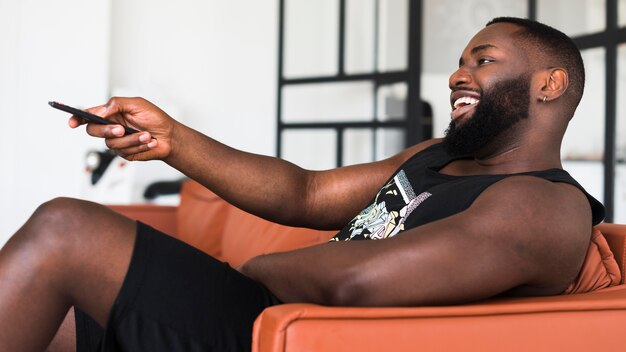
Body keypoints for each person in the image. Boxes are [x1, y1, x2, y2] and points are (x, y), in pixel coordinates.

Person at [0, 17, 605, 351]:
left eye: (484, 60)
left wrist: (256, 269)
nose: (457, 74)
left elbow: (360, 280)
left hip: (286, 329)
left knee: (66, 228)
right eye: (463, 60)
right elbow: (306, 193)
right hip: (271, 311)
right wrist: (173, 141)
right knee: (48, 317)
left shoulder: (543, 206)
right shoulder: (438, 155)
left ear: (548, 85)